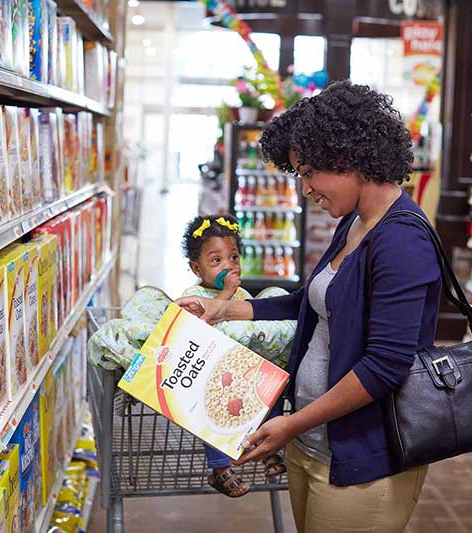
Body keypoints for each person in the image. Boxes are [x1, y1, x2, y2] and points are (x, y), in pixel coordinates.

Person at [176, 81, 442, 532]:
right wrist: (222, 310)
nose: (304, 189)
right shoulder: (357, 222)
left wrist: (293, 423)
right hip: (314, 445)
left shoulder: (402, 239)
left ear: (351, 156)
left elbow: (385, 366)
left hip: (363, 458)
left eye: (309, 171)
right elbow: (310, 302)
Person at [180, 214, 291, 498]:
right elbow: (201, 325)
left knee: (273, 387)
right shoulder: (195, 294)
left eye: (233, 257)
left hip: (244, 372)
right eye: (216, 260)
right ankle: (219, 469)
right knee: (209, 407)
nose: (228, 265)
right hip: (213, 376)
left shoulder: (242, 294)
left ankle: (270, 451)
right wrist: (227, 293)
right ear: (196, 267)